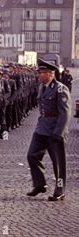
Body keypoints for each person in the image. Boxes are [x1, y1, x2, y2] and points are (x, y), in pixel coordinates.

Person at [26, 59, 71, 202]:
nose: (38, 75)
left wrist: (58, 132)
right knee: (32, 155)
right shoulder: (42, 87)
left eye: (41, 73)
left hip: (54, 130)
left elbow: (65, 113)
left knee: (58, 163)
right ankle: (40, 185)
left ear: (50, 74)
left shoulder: (60, 88)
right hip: (41, 128)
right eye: (39, 73)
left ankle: (59, 190)